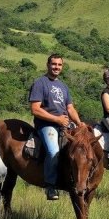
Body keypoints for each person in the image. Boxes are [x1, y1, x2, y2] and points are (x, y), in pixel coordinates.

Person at [29, 53, 83, 201]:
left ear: (62, 67)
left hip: (65, 124)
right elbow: (35, 109)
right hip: (46, 125)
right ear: (48, 65)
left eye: (59, 65)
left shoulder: (63, 86)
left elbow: (70, 108)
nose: (56, 67)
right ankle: (50, 186)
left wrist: (79, 123)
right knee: (53, 151)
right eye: (54, 64)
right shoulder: (40, 83)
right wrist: (57, 119)